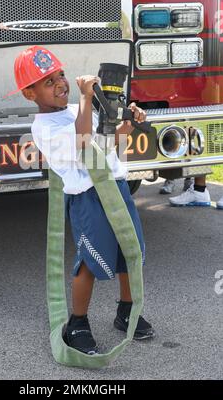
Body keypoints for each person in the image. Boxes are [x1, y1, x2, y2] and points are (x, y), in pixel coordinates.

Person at [12, 46, 155, 355]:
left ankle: (126, 310)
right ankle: (78, 322)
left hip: (116, 187)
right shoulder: (43, 127)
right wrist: (87, 99)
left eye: (60, 75)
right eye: (48, 82)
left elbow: (105, 144)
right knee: (89, 261)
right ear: (29, 94)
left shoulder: (78, 112)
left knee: (130, 252)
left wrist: (129, 123)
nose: (60, 84)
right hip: (88, 198)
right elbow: (81, 145)